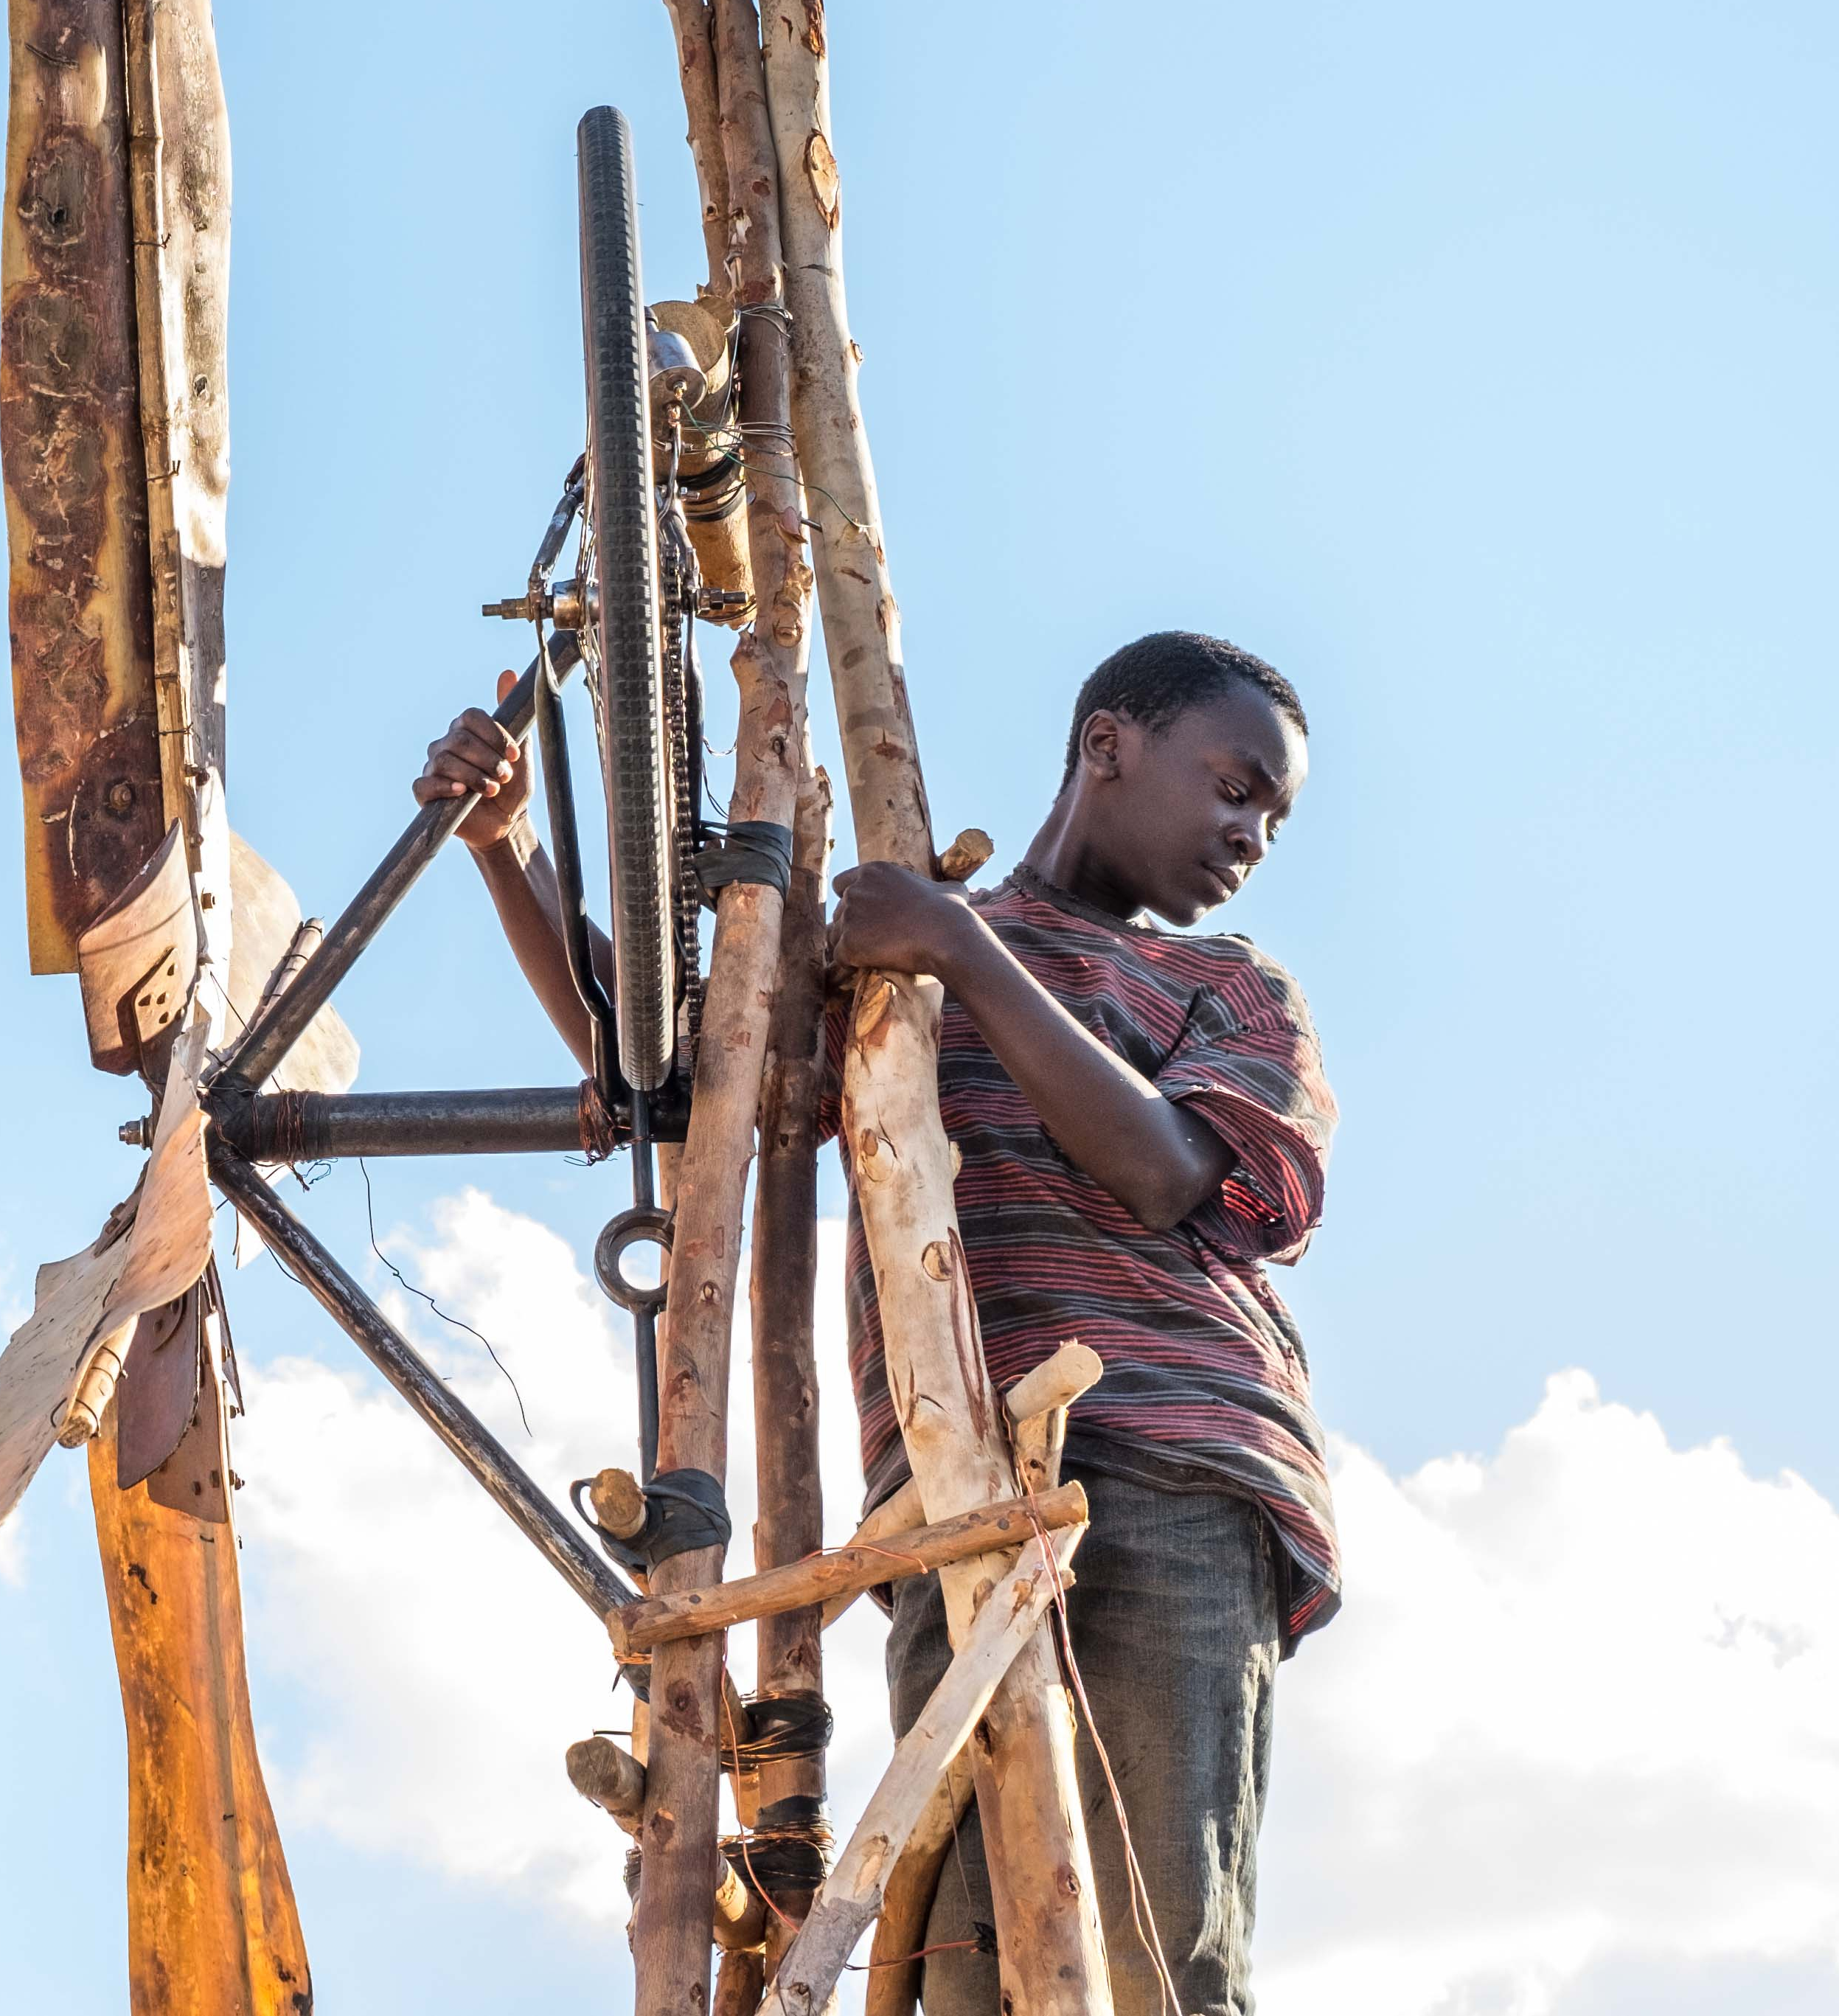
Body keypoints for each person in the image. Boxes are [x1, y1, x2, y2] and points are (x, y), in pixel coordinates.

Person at [414, 630, 1335, 2016]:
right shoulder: (881, 965)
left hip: (1166, 1465)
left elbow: (1163, 1174)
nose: (1251, 833)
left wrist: (957, 943)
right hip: (942, 1498)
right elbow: (682, 1065)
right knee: (971, 1967)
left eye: (1272, 813)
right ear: (1106, 746)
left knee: (1152, 1954)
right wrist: (504, 852)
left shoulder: (1226, 987)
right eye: (1234, 785)